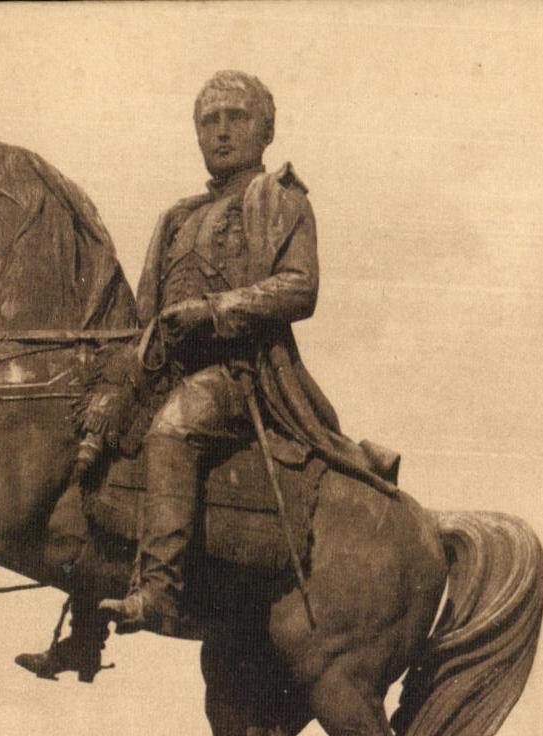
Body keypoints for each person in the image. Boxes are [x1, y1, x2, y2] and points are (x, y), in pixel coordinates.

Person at [98, 70, 396, 635]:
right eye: (209, 121)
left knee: (173, 431)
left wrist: (212, 310)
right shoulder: (175, 217)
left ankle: (159, 591)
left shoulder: (280, 199)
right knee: (91, 440)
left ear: (266, 130)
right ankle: (83, 628)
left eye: (237, 118)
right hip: (167, 370)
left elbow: (299, 287)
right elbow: (145, 313)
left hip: (240, 374)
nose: (222, 131)